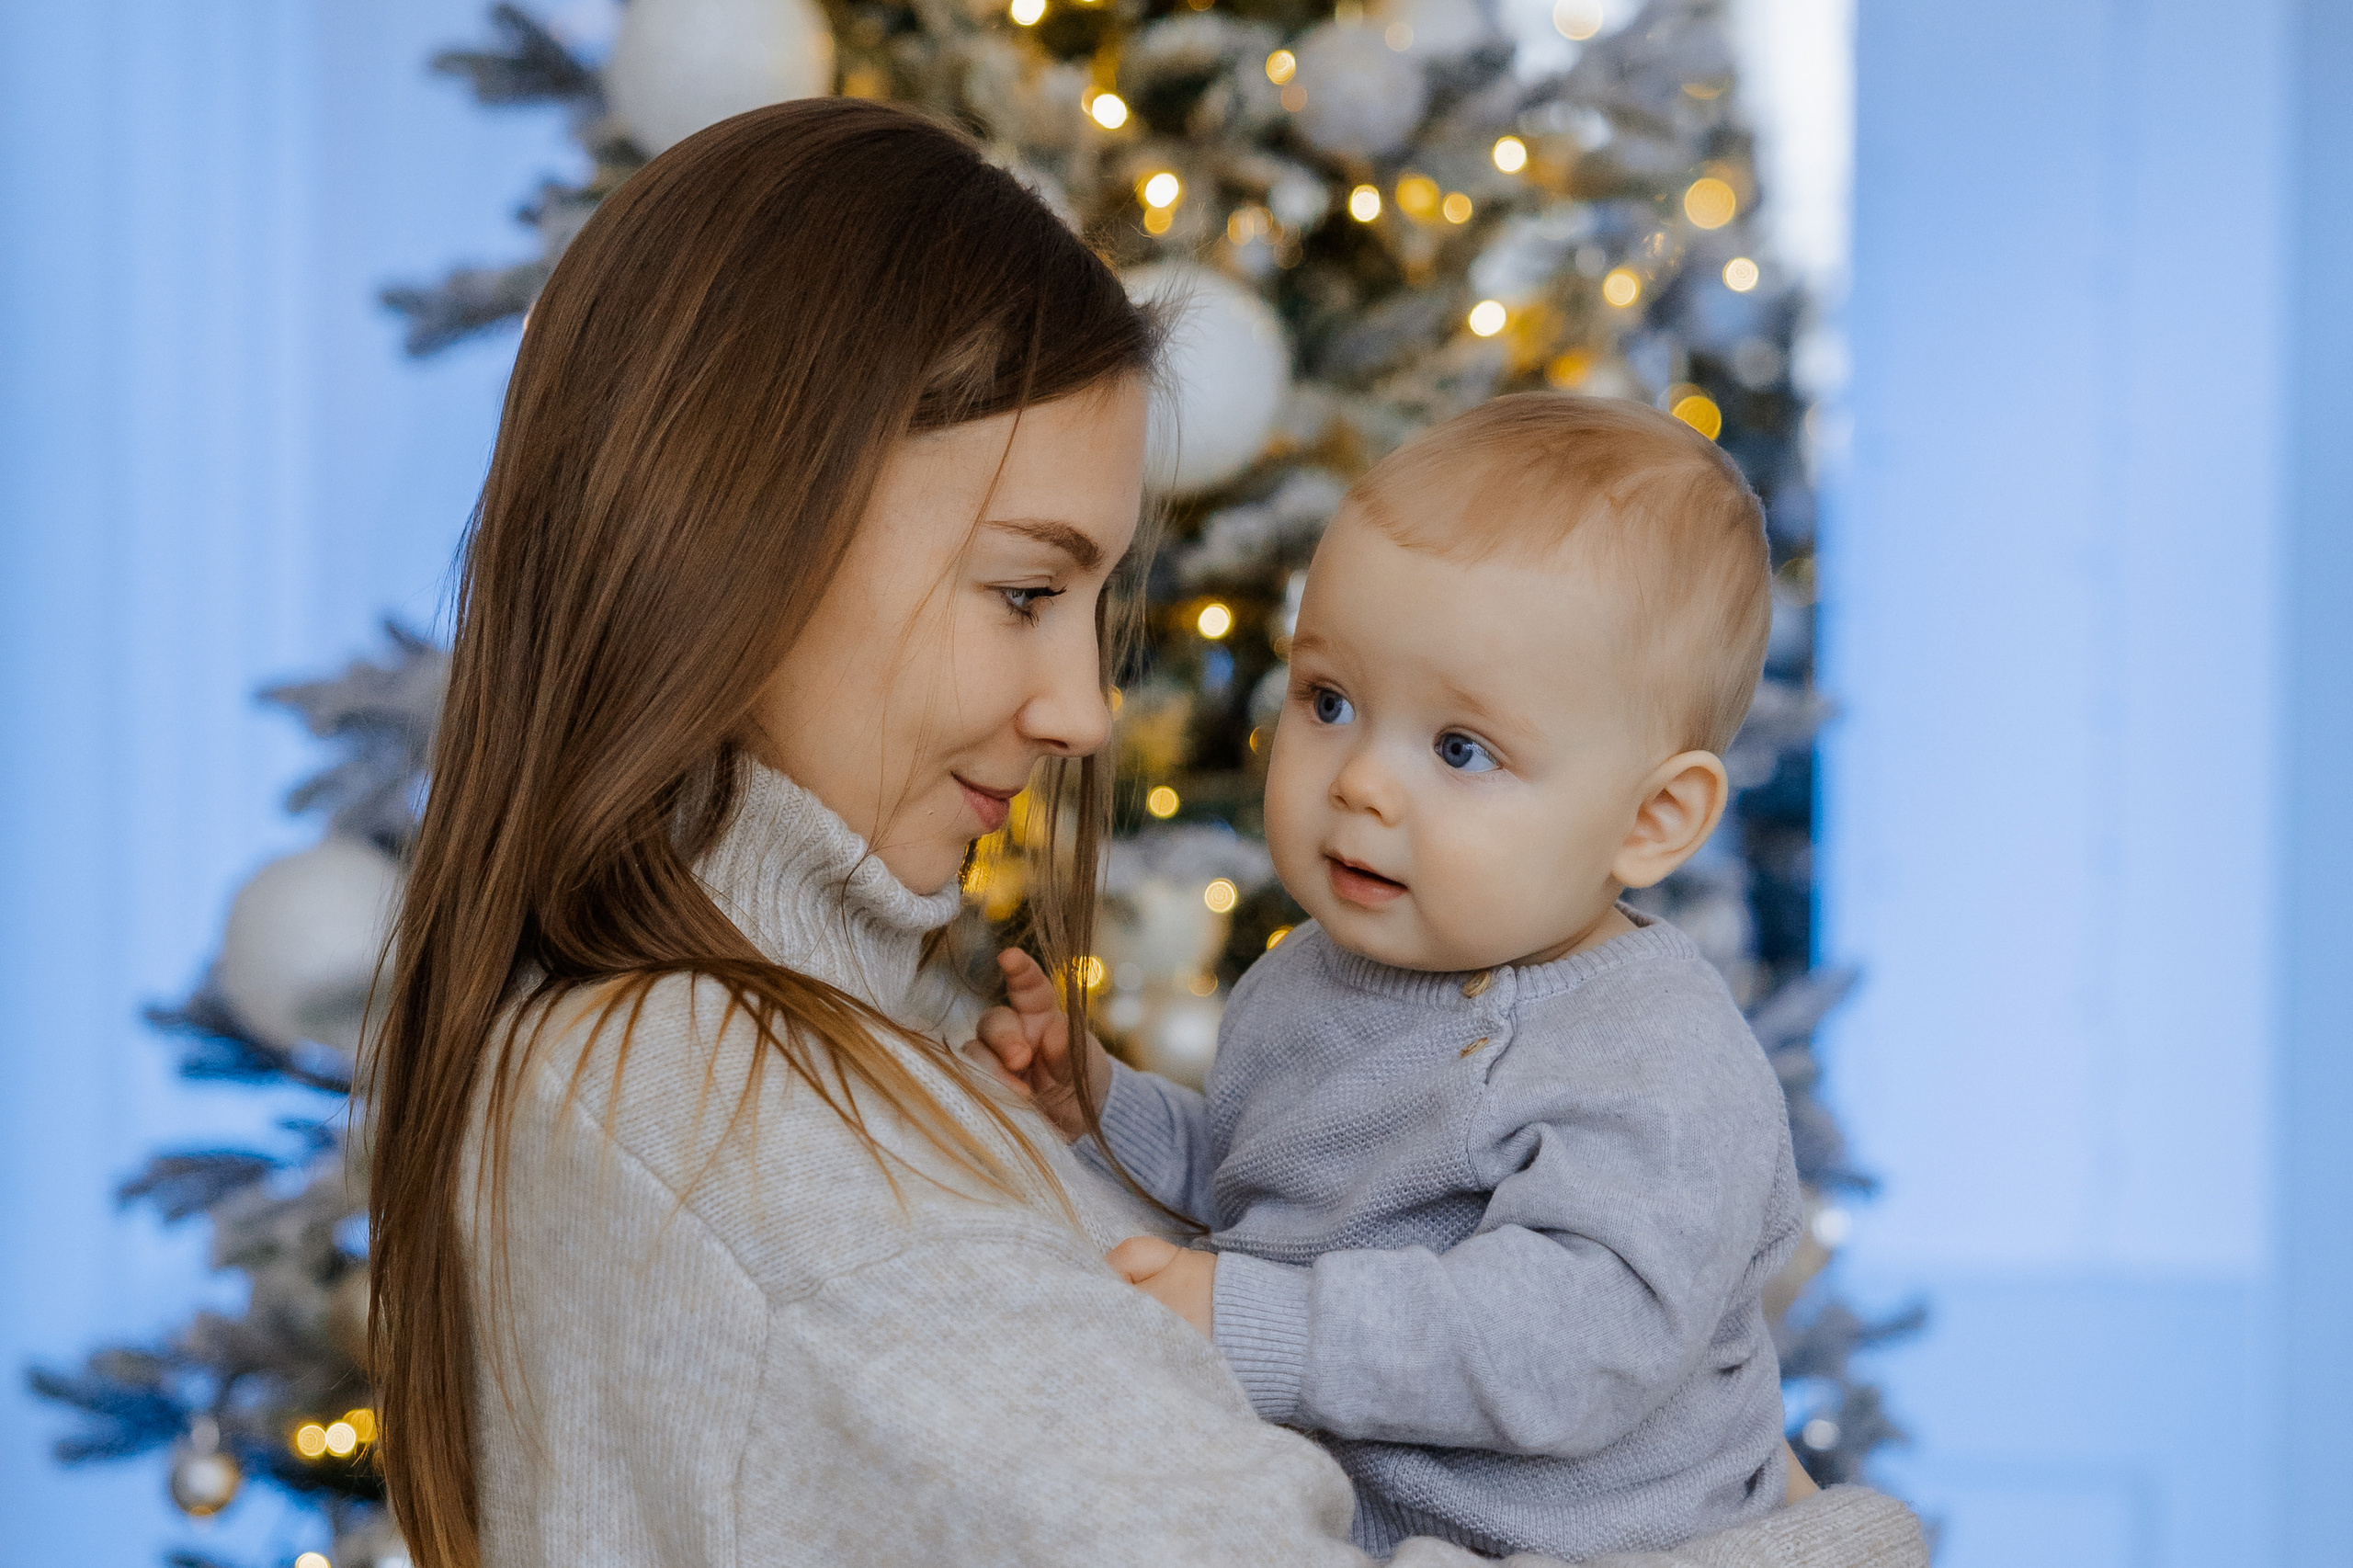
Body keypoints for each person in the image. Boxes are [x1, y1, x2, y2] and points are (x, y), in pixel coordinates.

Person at [363, 97, 1926, 1568]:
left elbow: (1302, 1246)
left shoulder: (839, 1040)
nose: (1086, 712)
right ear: (738, 528)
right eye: (1027, 591)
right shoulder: (715, 1117)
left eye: (1095, 604)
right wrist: (1846, 1538)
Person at [979, 395, 1824, 1560]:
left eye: (1459, 748)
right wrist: (1105, 1107)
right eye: (1328, 701)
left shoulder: (1656, 1057)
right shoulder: (1314, 977)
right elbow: (1270, 1187)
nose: (1361, 782)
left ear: (1651, 818)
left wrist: (1254, 1322)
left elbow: (1577, 1341)